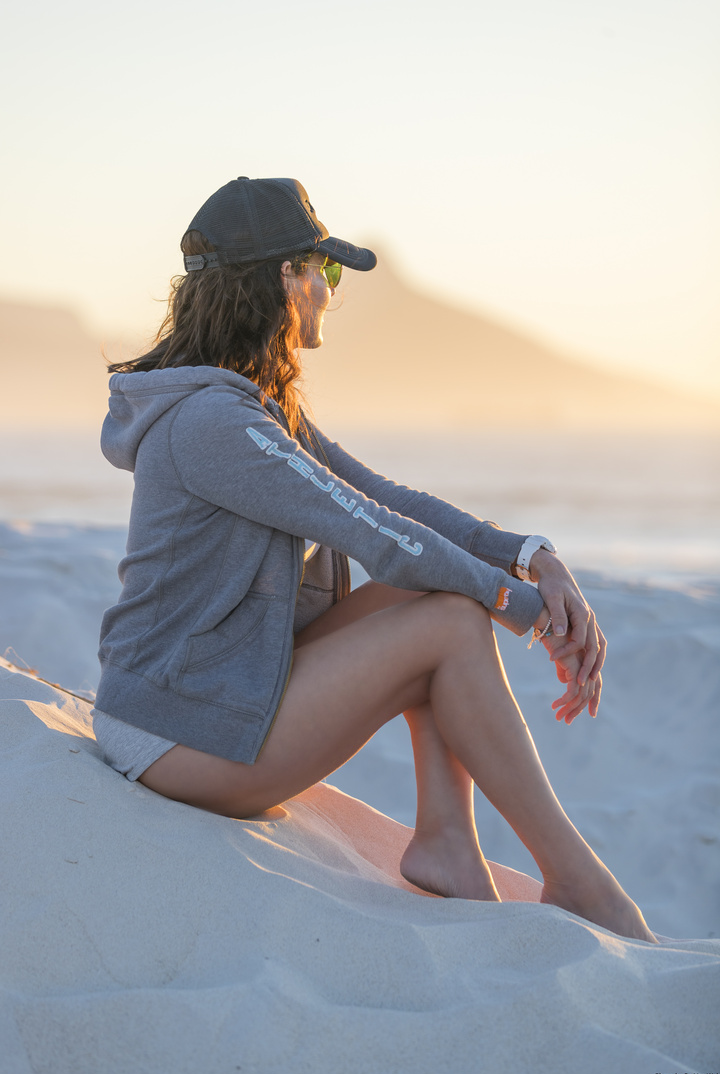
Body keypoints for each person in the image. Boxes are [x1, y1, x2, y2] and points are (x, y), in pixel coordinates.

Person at [93, 176, 655, 943]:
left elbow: (388, 498)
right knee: (452, 619)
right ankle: (580, 885)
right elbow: (375, 533)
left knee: (447, 605)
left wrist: (534, 558)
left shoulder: (250, 406)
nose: (331, 293)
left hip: (213, 687)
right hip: (173, 735)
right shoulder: (214, 423)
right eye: (323, 273)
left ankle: (449, 843)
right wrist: (526, 612)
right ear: (281, 280)